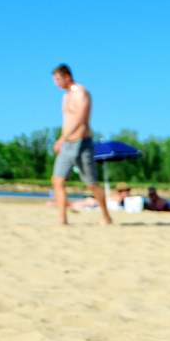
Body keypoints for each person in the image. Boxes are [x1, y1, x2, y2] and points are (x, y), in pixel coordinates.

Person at [50, 64, 111, 225]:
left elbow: (81, 119)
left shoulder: (81, 93)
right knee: (57, 181)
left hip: (82, 143)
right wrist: (63, 139)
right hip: (67, 144)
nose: (56, 83)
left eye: (57, 79)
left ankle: (106, 216)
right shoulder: (65, 96)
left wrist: (63, 138)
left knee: (91, 184)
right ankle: (62, 218)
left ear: (67, 76)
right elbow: (67, 121)